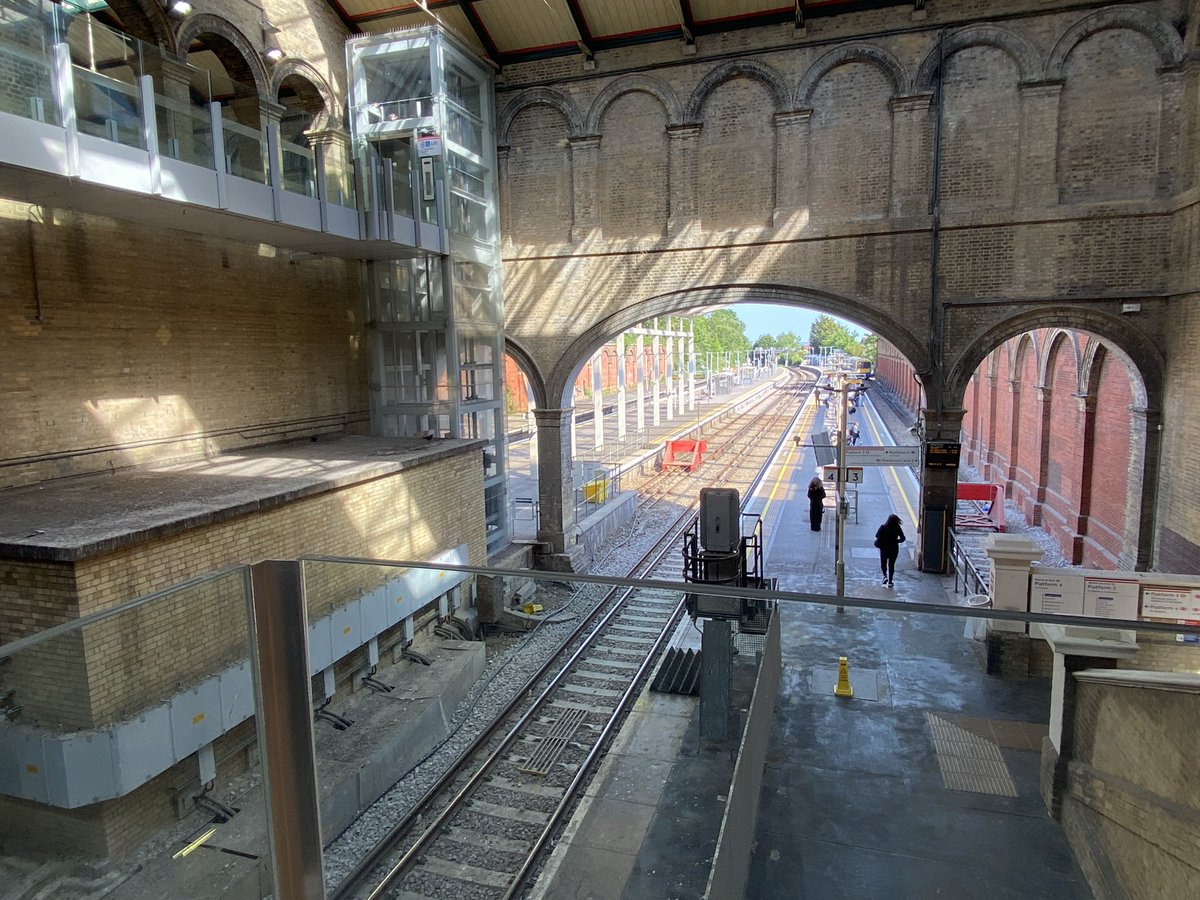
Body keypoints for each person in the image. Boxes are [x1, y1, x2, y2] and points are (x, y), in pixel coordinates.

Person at [875, 513, 906, 586]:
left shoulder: (883, 527)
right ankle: (890, 581)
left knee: (883, 563)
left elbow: (876, 535)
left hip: (884, 548)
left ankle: (885, 576)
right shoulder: (897, 528)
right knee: (891, 564)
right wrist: (897, 541)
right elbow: (903, 538)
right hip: (894, 549)